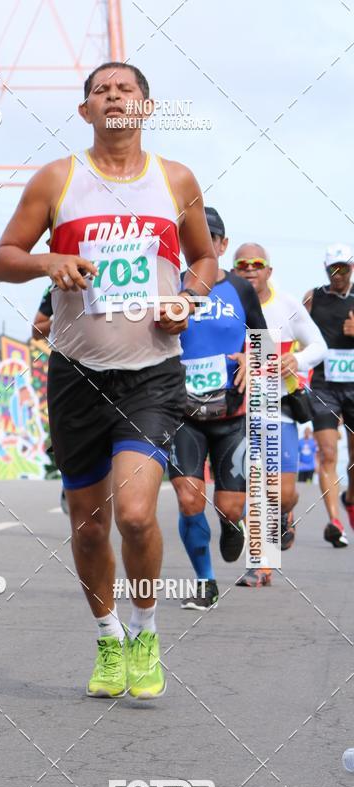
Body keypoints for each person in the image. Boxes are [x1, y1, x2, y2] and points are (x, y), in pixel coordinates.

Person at [0, 61, 216, 699]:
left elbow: (204, 257)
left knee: (138, 516)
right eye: (100, 90)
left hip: (152, 374)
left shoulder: (176, 180)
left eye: (126, 89)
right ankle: (108, 638)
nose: (113, 96)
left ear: (146, 106)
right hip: (76, 377)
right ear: (85, 111)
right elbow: (1, 260)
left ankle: (145, 632)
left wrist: (189, 300)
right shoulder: (58, 180)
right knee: (89, 524)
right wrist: (48, 260)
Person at [168, 208, 266, 610]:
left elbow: (264, 341)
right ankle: (205, 582)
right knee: (190, 499)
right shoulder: (170, 287)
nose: (201, 243)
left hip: (231, 418)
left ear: (222, 246)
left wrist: (249, 358)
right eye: (192, 236)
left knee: (229, 506)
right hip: (182, 416)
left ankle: (232, 524)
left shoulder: (240, 290)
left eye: (210, 238)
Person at [233, 243, 327, 587]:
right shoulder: (227, 305)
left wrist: (297, 361)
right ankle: (260, 563)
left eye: (256, 264)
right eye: (241, 264)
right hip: (240, 407)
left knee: (283, 493)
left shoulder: (286, 305)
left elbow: (319, 346)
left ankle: (285, 513)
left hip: (280, 406)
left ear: (268, 271)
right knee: (254, 486)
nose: (249, 269)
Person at [304, 244, 354, 547]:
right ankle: (335, 521)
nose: (338, 274)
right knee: (328, 454)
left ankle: (349, 498)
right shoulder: (313, 298)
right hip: (324, 385)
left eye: (344, 268)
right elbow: (294, 333)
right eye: (333, 268)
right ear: (326, 270)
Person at [32, 286, 69, 514]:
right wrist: (69, 317)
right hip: (73, 370)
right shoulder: (61, 282)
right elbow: (37, 328)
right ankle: (71, 478)